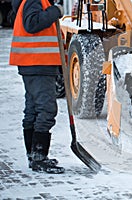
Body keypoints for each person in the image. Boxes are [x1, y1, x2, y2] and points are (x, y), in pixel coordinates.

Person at [9, 0, 65, 174]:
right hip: (38, 62)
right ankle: (39, 157)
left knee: (33, 109)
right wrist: (55, 11)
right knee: (46, 110)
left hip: (35, 63)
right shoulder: (34, 0)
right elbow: (32, 24)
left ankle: (33, 154)